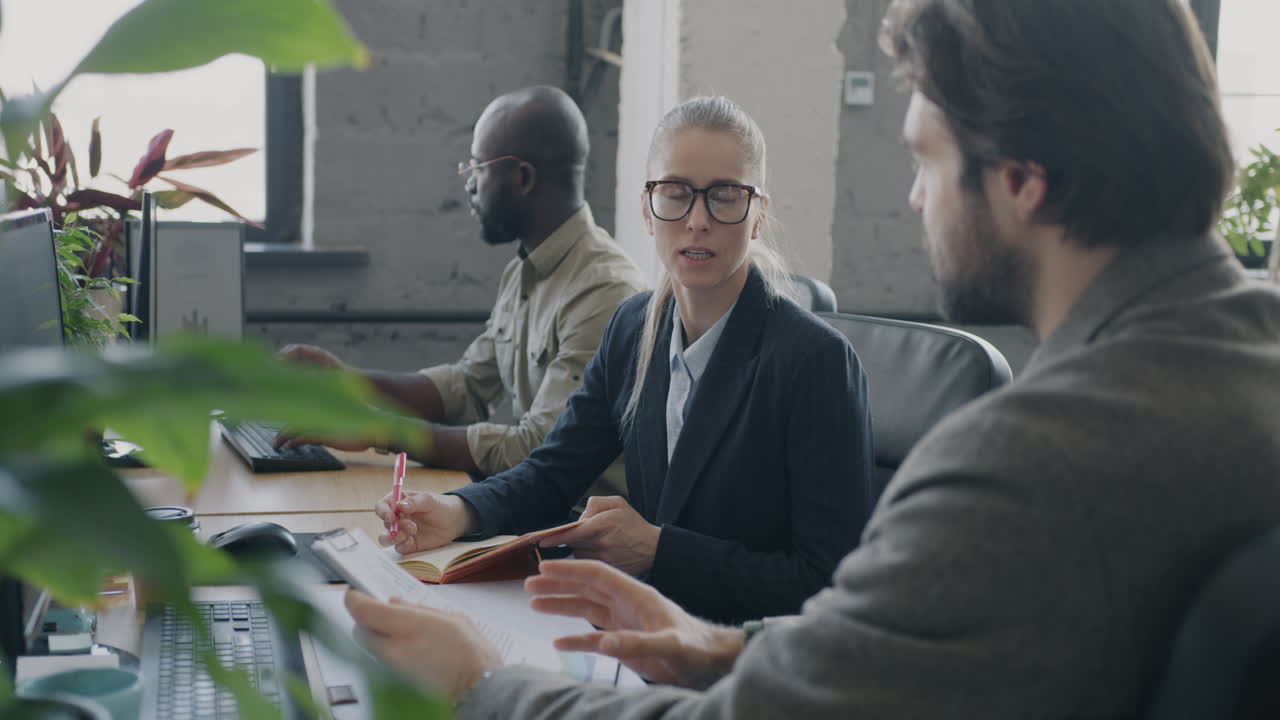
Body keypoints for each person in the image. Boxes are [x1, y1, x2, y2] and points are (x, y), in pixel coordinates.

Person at [344, 0, 1280, 717]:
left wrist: (474, 681)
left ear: (1023, 183)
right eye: (676, 195)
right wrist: (725, 649)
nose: (913, 199)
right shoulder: (1246, 355)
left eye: (922, 158)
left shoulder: (1027, 465)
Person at [374, 96, 877, 625]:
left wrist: (661, 550)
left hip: (743, 663)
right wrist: (458, 511)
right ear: (647, 209)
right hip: (642, 632)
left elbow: (829, 586)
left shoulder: (816, 363)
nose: (698, 220)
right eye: (676, 194)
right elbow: (553, 473)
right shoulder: (634, 326)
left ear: (758, 215)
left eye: (725, 197)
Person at [276, 86, 644, 504]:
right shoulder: (526, 269)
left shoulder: (604, 292)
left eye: (477, 167)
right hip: (533, 512)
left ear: (522, 177)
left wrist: (381, 430)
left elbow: (535, 450)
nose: (469, 183)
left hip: (580, 538)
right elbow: (467, 387)